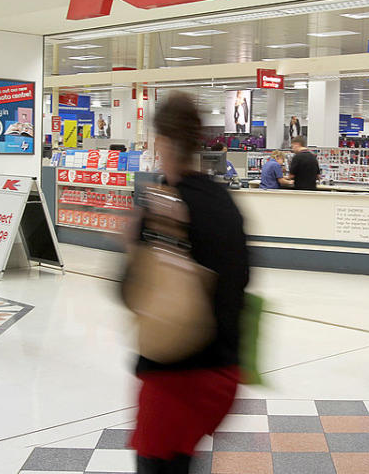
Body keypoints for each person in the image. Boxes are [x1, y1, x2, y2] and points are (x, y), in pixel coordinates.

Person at [130, 93, 249, 474]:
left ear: (162, 142)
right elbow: (242, 277)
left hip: (173, 375)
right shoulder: (226, 203)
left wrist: (131, 245)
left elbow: (129, 292)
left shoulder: (161, 205)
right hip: (224, 376)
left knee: (158, 465)